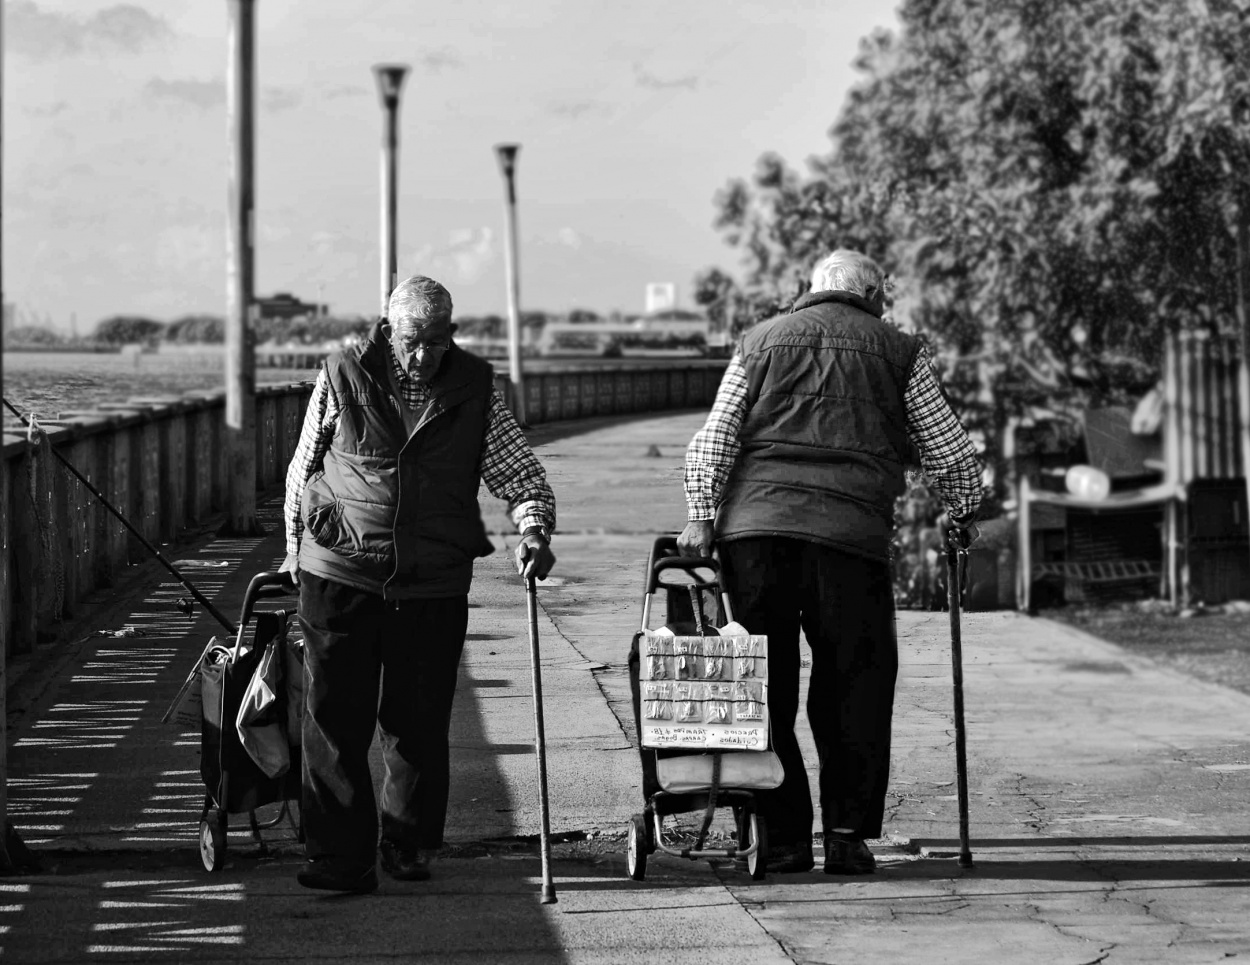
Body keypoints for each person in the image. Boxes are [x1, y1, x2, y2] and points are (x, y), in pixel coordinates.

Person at [677, 249, 980, 875]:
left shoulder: (761, 340)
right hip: (851, 539)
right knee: (856, 683)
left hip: (756, 536)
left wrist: (703, 515)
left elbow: (716, 435)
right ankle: (845, 835)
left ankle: (783, 839)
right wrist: (963, 507)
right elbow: (945, 445)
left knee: (762, 684)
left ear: (810, 290)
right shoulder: (899, 350)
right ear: (874, 296)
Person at [280, 274, 557, 894]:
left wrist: (534, 530)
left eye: (437, 339)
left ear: (450, 334)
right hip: (341, 570)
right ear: (389, 329)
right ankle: (338, 858)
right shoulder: (343, 374)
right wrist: (295, 552)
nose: (425, 353)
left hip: (431, 580)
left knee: (419, 722)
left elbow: (523, 477)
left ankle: (405, 844)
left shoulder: (474, 388)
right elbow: (304, 467)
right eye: (412, 339)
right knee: (332, 718)